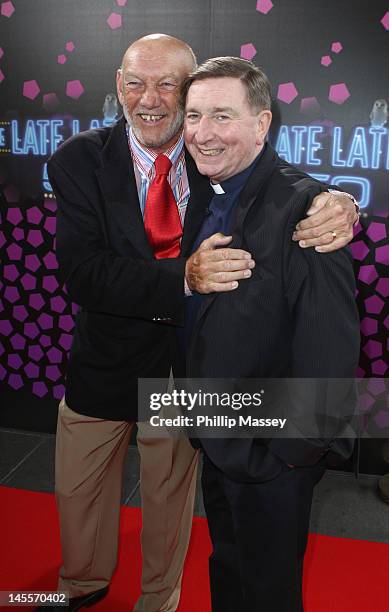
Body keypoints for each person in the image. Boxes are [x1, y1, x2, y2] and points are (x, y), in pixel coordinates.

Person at [42, 34, 358, 612]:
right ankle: (77, 588)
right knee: (78, 495)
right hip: (107, 363)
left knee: (172, 503)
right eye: (136, 83)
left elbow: (274, 182)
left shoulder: (206, 147)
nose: (151, 99)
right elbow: (84, 273)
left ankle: (159, 600)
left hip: (190, 375)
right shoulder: (78, 159)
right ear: (118, 86)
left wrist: (338, 200)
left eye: (169, 86)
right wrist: (184, 278)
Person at [181, 57, 360, 612]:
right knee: (230, 570)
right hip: (217, 433)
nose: (203, 133)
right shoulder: (210, 183)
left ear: (262, 125)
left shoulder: (307, 210)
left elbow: (330, 346)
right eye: (193, 116)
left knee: (268, 592)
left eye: (221, 116)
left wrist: (288, 455)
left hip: (269, 454)